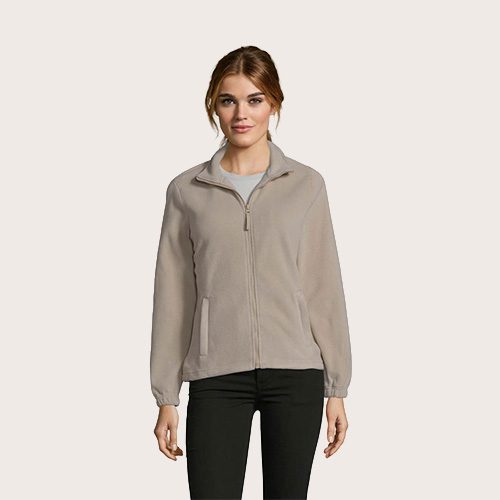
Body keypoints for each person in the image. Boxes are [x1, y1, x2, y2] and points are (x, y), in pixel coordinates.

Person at [150, 45, 352, 499]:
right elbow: (174, 297)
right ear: (214, 106)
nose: (241, 113)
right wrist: (166, 396)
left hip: (296, 373)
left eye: (254, 99)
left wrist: (336, 386)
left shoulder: (306, 185)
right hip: (216, 375)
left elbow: (323, 286)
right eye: (229, 100)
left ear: (273, 104)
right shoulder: (187, 191)